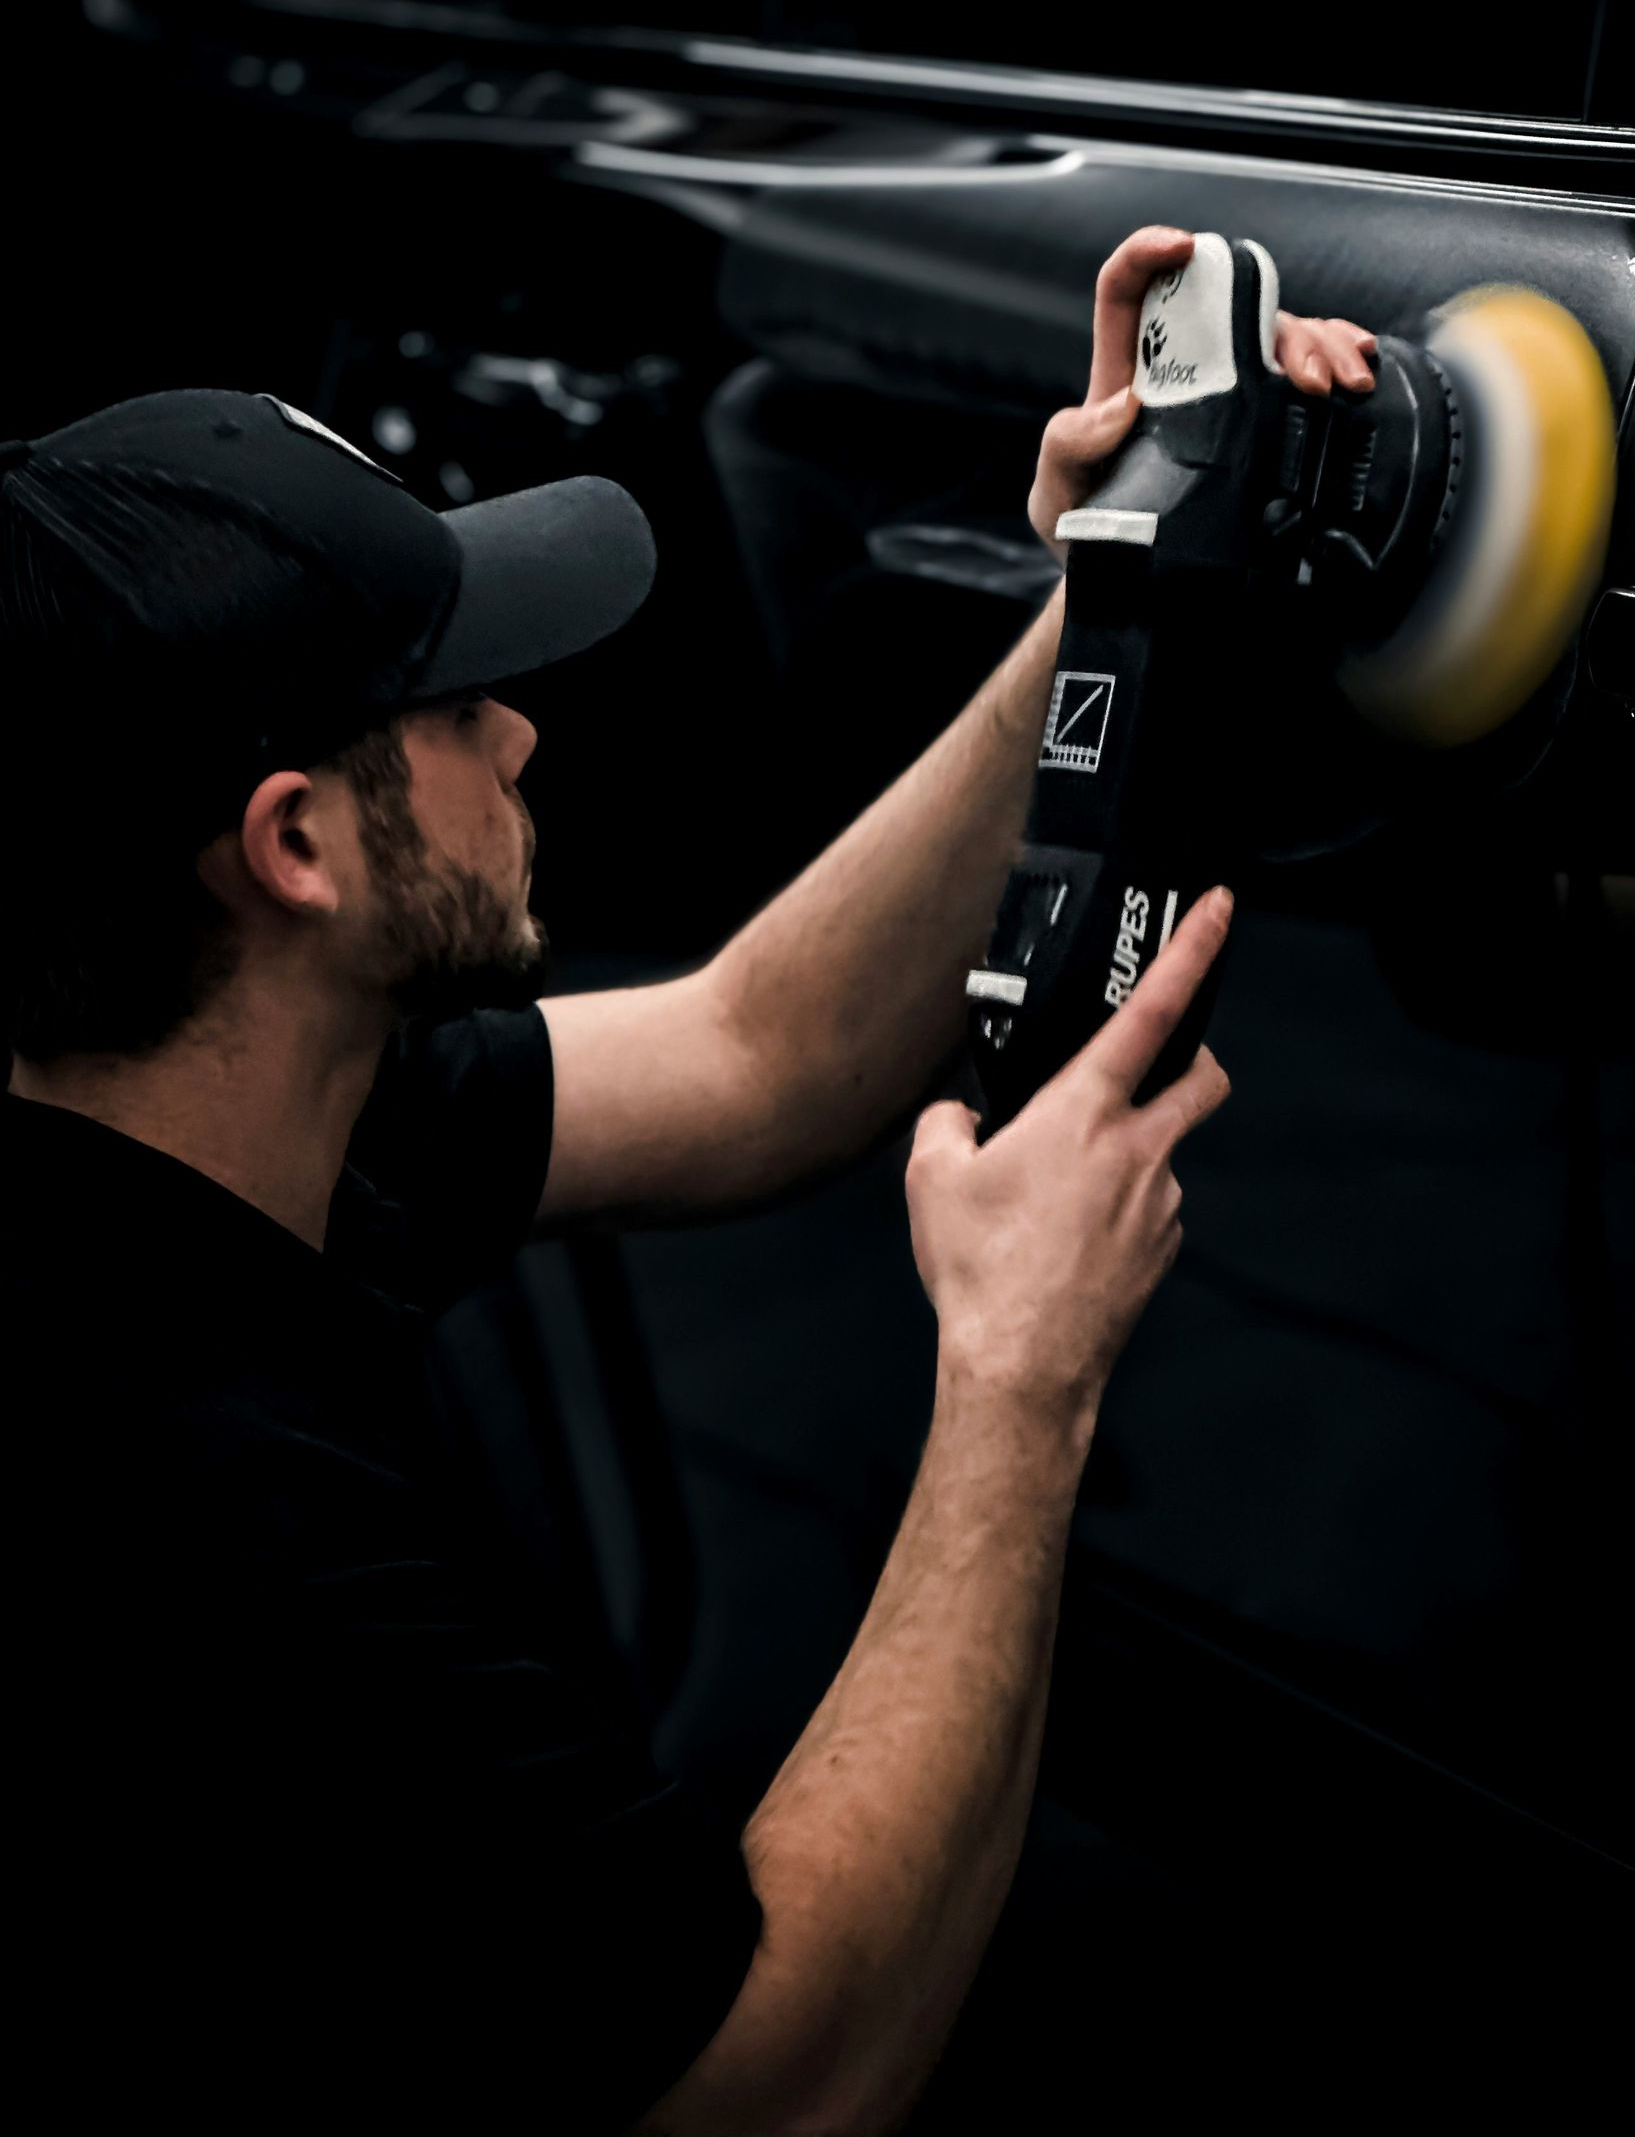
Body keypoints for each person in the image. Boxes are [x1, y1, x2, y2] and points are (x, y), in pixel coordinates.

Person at [7, 229, 1377, 2134]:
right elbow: (762, 2088)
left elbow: (762, 1053)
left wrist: (1108, 584)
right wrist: (1020, 1380)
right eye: (454, 687)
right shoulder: (198, 1517)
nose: (524, 724)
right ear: (295, 842)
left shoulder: (179, 1101)